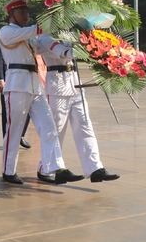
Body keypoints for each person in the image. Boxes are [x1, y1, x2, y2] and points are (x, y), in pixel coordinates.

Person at [0, 0, 82, 185]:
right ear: (11, 14)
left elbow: (48, 47)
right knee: (15, 130)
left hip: (34, 85)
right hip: (17, 84)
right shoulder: (7, 31)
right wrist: (58, 13)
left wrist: (73, 49)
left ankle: (56, 168)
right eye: (21, 11)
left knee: (49, 126)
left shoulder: (29, 37)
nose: (26, 14)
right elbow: (36, 30)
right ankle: (8, 170)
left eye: (27, 11)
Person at [35, 34, 119, 183]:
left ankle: (95, 168)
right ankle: (45, 167)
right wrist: (91, 49)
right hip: (57, 86)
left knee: (85, 126)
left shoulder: (71, 33)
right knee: (57, 130)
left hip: (75, 83)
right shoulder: (44, 37)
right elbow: (62, 51)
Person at [0, 35, 31, 149]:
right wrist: (0, 79)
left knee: (28, 108)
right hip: (9, 78)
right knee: (8, 111)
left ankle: (21, 135)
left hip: (26, 77)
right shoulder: (4, 37)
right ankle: (8, 137)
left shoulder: (27, 36)